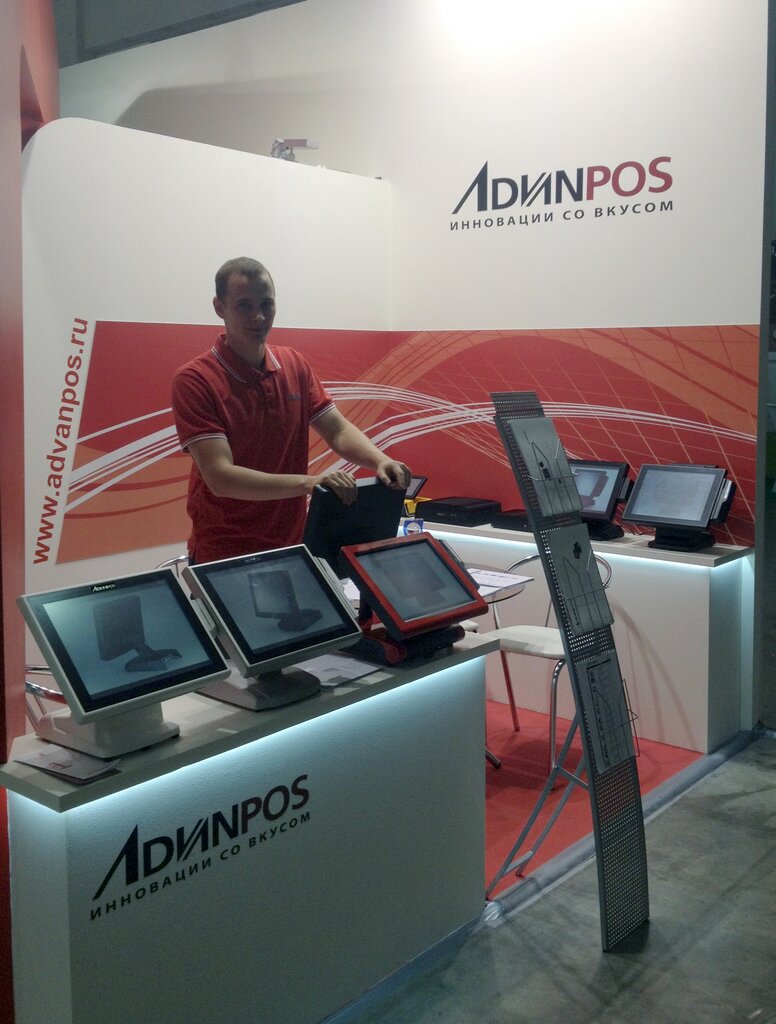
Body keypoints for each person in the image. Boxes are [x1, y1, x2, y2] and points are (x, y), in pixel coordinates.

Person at [172, 257, 410, 563]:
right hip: (227, 554)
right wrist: (310, 483)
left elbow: (337, 430)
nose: (259, 316)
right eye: (244, 305)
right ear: (219, 307)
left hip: (294, 546)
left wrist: (379, 460)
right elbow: (221, 477)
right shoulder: (195, 379)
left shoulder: (293, 364)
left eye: (267, 304)